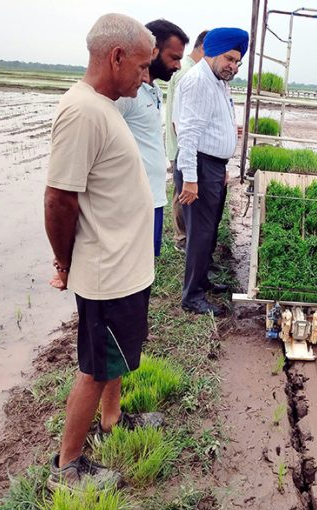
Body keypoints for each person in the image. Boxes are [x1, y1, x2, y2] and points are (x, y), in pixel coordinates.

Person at [44, 13, 156, 491]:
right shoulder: (83, 111)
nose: (146, 76)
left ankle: (112, 420)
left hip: (123, 267)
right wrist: (65, 262)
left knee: (114, 359)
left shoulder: (106, 105)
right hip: (105, 270)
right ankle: (67, 466)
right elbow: (58, 198)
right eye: (143, 66)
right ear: (116, 57)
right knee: (94, 368)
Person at [174, 27, 249, 316]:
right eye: (229, 58)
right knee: (200, 233)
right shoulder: (198, 82)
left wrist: (223, 167)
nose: (233, 66)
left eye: (237, 62)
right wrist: (191, 179)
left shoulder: (218, 81)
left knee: (209, 230)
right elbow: (188, 134)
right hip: (199, 167)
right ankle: (191, 296)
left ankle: (202, 280)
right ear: (211, 51)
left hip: (212, 167)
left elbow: (216, 126)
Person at [116, 19, 189, 257]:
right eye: (174, 57)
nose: (178, 66)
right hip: (132, 203)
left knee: (146, 269)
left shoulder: (154, 89)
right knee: (130, 273)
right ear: (153, 51)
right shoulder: (126, 94)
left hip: (154, 199)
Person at [166, 30, 208, 253]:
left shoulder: (190, 70)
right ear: (202, 48)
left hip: (181, 146)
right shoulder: (188, 73)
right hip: (181, 147)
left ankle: (184, 237)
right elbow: (179, 122)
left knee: (181, 191)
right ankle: (182, 239)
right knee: (182, 193)